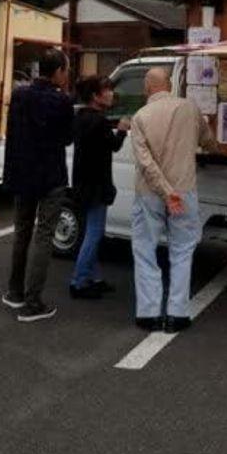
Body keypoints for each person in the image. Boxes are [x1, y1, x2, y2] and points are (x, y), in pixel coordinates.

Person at [130, 66, 216, 333]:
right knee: (182, 251)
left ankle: (149, 314)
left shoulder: (140, 116)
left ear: (147, 87)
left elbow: (146, 164)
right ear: (169, 84)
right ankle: (177, 314)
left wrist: (165, 192)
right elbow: (209, 142)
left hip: (150, 193)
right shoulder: (189, 108)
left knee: (145, 251)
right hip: (184, 189)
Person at [2, 48, 74, 323]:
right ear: (57, 72)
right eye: (65, 71)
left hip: (22, 173)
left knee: (22, 231)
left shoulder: (19, 95)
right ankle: (33, 303)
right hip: (50, 176)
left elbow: (13, 133)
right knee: (44, 235)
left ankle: (14, 291)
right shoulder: (62, 102)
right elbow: (67, 139)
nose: (66, 76)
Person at [69, 75, 130, 299]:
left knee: (90, 231)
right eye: (107, 90)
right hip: (96, 185)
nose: (111, 93)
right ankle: (78, 281)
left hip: (82, 183)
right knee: (94, 233)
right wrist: (122, 129)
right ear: (95, 96)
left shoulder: (81, 118)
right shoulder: (99, 122)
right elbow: (113, 146)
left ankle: (93, 277)